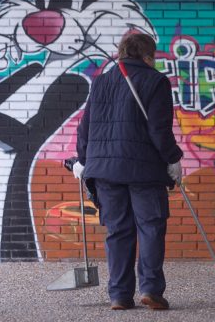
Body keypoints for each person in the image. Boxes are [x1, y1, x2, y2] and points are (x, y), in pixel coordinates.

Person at [73, 33, 183, 310]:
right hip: (143, 170)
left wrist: (83, 159)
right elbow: (159, 129)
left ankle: (120, 295)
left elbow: (85, 127)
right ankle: (150, 290)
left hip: (105, 171)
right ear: (147, 56)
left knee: (118, 231)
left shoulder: (101, 82)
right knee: (150, 228)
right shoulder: (156, 81)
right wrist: (173, 159)